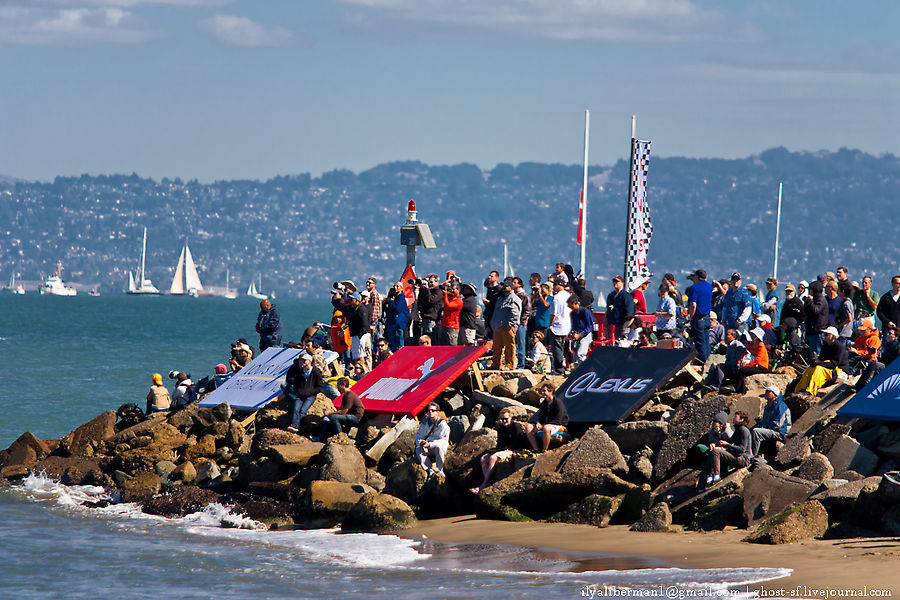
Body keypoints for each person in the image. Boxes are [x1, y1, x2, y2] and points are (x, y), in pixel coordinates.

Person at [470, 408, 523, 493]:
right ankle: (488, 481)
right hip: (504, 449)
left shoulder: (516, 427)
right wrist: (493, 450)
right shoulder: (501, 428)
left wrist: (498, 451)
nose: (504, 421)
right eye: (502, 419)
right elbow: (500, 444)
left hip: (514, 449)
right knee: (484, 458)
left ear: (511, 417)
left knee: (493, 458)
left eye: (506, 419)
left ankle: (484, 484)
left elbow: (515, 444)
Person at [795, 327, 848, 396]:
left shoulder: (839, 347)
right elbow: (821, 359)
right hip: (828, 367)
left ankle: (811, 391)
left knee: (818, 369)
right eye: (824, 334)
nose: (824, 336)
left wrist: (819, 363)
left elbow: (834, 364)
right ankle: (800, 388)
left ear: (833, 337)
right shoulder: (825, 346)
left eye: (827, 335)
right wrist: (814, 362)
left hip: (838, 370)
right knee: (810, 369)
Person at [705, 411, 751, 485]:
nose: (733, 418)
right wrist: (715, 444)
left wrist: (728, 445)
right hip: (736, 457)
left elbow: (742, 449)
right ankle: (710, 476)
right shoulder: (738, 430)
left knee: (716, 452)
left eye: (736, 417)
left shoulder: (744, 431)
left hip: (743, 460)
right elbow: (729, 441)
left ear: (741, 419)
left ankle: (716, 476)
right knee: (713, 451)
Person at [318, 377, 365, 442]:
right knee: (328, 420)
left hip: (356, 417)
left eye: (338, 384)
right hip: (350, 415)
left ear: (343, 385)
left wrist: (330, 413)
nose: (337, 386)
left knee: (333, 418)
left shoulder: (349, 395)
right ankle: (322, 439)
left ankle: (340, 436)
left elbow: (343, 412)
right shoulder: (345, 395)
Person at [285, 353, 324, 432]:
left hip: (310, 396)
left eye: (304, 361)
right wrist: (298, 392)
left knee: (303, 410)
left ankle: (299, 426)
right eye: (301, 361)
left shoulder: (315, 372)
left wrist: (311, 392)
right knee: (296, 409)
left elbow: (320, 387)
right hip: (300, 395)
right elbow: (296, 383)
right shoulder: (300, 372)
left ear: (309, 361)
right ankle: (294, 425)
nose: (302, 363)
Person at [525, 383, 568, 452]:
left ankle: (544, 450)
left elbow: (558, 420)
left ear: (550, 391)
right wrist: (538, 423)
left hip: (559, 425)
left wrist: (542, 426)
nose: (542, 393)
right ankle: (536, 449)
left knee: (546, 428)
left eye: (544, 391)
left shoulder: (558, 403)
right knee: (528, 427)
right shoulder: (544, 403)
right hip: (548, 424)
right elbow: (541, 417)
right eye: (542, 391)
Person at [751, 386, 792, 457]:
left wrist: (764, 427)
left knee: (756, 432)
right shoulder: (767, 406)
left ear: (774, 394)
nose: (765, 393)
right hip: (770, 429)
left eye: (768, 392)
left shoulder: (780, 406)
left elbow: (779, 424)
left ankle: (753, 455)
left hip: (780, 432)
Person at [490, 279, 521, 370]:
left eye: (506, 286)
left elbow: (515, 313)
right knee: (496, 347)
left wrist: (509, 324)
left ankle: (509, 365)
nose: (504, 288)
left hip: (507, 327)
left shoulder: (514, 298)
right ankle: (495, 364)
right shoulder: (500, 298)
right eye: (503, 286)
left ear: (511, 288)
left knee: (509, 346)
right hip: (497, 327)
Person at [415, 402, 451, 476]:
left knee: (439, 447)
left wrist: (430, 444)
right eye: (429, 410)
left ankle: (440, 469)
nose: (430, 412)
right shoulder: (424, 422)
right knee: (418, 449)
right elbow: (418, 436)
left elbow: (443, 441)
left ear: (437, 412)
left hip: (437, 447)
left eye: (433, 410)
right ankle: (429, 469)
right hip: (427, 447)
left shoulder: (443, 425)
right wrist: (421, 442)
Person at [687, 268, 713, 363]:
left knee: (699, 343)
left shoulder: (694, 288)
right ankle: (708, 360)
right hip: (707, 318)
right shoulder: (709, 287)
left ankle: (702, 362)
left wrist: (691, 317)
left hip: (698, 318)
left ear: (697, 277)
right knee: (706, 342)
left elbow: (693, 305)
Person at [547, 279, 572, 373]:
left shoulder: (556, 298)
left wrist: (550, 325)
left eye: (554, 285)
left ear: (558, 286)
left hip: (557, 326)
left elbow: (554, 314)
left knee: (557, 348)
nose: (553, 287)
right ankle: (567, 366)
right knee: (565, 348)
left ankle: (558, 369)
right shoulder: (568, 296)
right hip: (567, 325)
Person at [851, 318, 883, 390]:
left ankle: (856, 383)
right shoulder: (860, 338)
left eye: (864, 330)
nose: (862, 332)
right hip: (858, 356)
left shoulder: (874, 339)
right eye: (861, 330)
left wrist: (857, 352)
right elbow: (854, 346)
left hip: (869, 359)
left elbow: (870, 352)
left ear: (869, 329)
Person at [803, 280, 829, 360]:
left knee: (816, 354)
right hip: (812, 330)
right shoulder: (815, 299)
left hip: (817, 331)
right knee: (811, 354)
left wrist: (809, 301)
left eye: (810, 289)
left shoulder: (820, 299)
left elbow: (816, 310)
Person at [567, 295, 593, 369]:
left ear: (576, 303)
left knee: (580, 354)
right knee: (575, 357)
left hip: (585, 335)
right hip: (577, 336)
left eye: (570, 305)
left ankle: (587, 369)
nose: (569, 307)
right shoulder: (572, 314)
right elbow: (573, 326)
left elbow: (590, 327)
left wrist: (580, 334)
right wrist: (571, 333)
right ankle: (577, 372)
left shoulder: (585, 312)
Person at [512, 277, 533, 367]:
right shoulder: (512, 295)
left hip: (520, 324)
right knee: (513, 345)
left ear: (519, 284)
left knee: (521, 345)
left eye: (515, 282)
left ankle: (521, 364)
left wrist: (521, 322)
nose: (513, 284)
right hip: (512, 323)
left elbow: (527, 310)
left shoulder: (524, 296)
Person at [384, 282, 409, 352]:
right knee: (392, 345)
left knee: (398, 344)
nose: (395, 288)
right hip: (392, 324)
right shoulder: (396, 298)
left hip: (398, 324)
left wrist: (392, 302)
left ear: (401, 288)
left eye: (397, 286)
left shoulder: (401, 299)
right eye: (394, 286)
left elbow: (397, 310)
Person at [418, 273, 444, 340]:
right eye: (429, 282)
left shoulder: (438, 292)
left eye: (432, 282)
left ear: (437, 282)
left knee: (429, 336)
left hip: (432, 317)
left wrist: (427, 290)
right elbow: (420, 301)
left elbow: (430, 300)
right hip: (425, 317)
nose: (430, 284)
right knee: (424, 336)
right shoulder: (429, 291)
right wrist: (422, 289)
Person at [441, 281, 463, 345]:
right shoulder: (452, 297)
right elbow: (442, 288)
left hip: (452, 327)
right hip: (445, 324)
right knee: (444, 345)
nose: (452, 291)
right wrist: (447, 282)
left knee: (451, 345)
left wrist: (445, 294)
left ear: (458, 290)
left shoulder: (459, 301)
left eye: (453, 289)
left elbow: (448, 306)